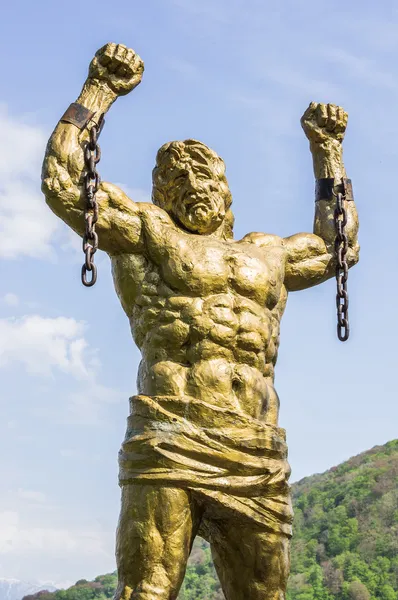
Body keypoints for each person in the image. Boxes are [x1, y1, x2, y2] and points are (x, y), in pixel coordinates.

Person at [42, 43, 359, 600]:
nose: (193, 190)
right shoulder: (148, 233)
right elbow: (66, 183)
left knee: (265, 595)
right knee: (149, 589)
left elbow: (339, 249)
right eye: (176, 185)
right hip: (171, 430)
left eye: (205, 180)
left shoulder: (268, 254)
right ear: (162, 195)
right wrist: (99, 91)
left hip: (255, 442)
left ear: (226, 189)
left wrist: (327, 152)